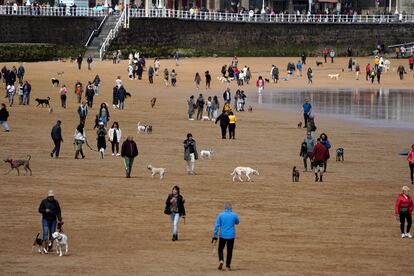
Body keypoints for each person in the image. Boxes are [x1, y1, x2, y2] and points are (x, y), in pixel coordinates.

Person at [212, 202, 240, 271]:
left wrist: (215, 235)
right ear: (231, 208)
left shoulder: (221, 215)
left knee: (220, 249)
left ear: (225, 208)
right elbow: (237, 222)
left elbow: (217, 226)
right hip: (231, 236)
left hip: (222, 235)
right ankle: (228, 266)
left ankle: (221, 260)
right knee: (229, 251)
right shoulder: (234, 215)